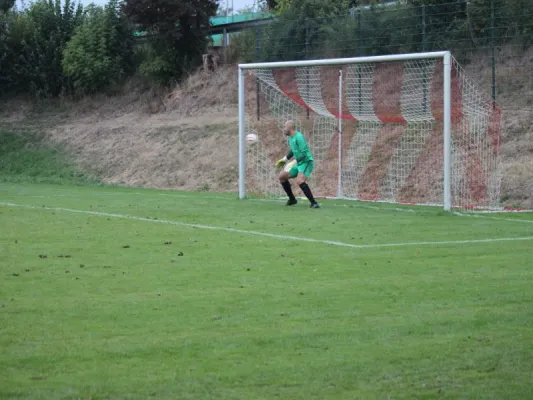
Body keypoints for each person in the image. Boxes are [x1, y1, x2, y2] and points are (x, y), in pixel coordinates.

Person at [275, 120, 320, 208]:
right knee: (282, 177)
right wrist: (284, 159)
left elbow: (304, 154)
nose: (284, 129)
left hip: (306, 162)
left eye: (285, 127)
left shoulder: (299, 137)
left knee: (300, 180)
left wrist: (293, 162)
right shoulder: (290, 138)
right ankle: (292, 199)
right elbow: (293, 150)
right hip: (298, 163)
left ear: (290, 128)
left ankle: (314, 203)